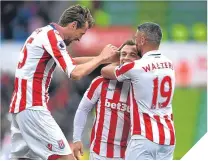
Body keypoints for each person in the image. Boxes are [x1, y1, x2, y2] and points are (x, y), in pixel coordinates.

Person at [9, 4, 118, 160]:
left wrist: (103, 59)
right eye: (81, 33)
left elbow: (70, 61)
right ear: (73, 25)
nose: (80, 38)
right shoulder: (53, 37)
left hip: (20, 109)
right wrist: (101, 58)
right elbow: (74, 73)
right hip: (33, 107)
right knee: (66, 157)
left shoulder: (43, 33)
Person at [101, 22, 176, 160]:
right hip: (168, 138)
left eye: (136, 38)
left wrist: (118, 59)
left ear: (142, 40)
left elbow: (105, 71)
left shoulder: (135, 67)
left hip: (145, 137)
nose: (135, 43)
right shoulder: (169, 64)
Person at [72, 40, 140, 160]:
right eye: (123, 54)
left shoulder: (142, 87)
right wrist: (77, 139)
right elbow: (83, 109)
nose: (126, 58)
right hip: (99, 154)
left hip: (128, 155)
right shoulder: (100, 82)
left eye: (132, 54)